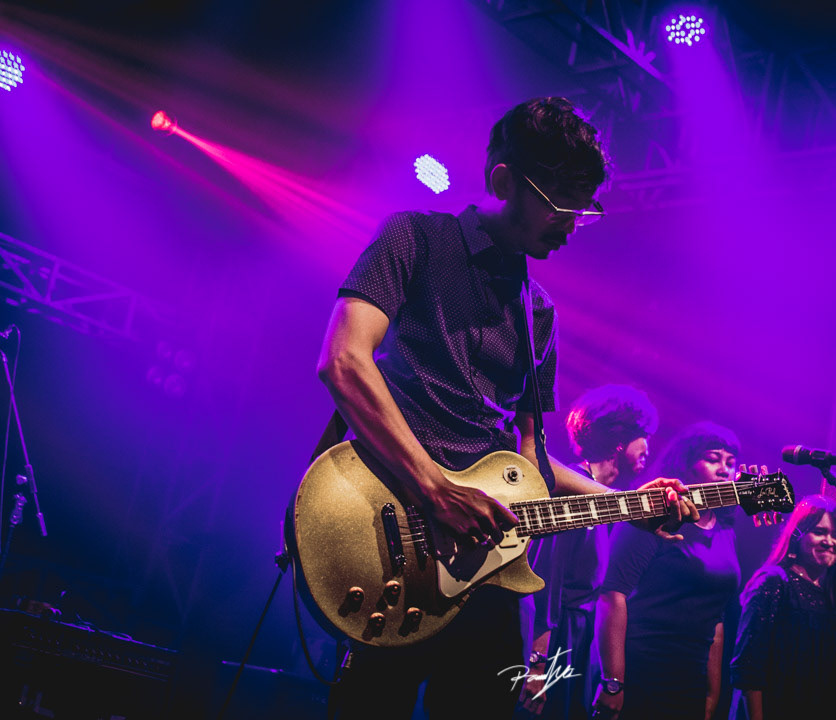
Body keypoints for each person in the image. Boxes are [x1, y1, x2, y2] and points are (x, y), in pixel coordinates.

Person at [317, 97, 697, 720]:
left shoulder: (538, 311)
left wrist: (627, 506)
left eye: (585, 208)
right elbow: (343, 361)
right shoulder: (414, 238)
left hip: (484, 568)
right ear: (502, 181)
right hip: (391, 534)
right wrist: (436, 489)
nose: (572, 225)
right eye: (561, 203)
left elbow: (531, 466)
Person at [520, 385, 659, 719]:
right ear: (619, 439)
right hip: (557, 642)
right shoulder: (574, 495)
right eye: (643, 436)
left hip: (577, 641)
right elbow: (545, 583)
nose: (648, 447)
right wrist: (537, 666)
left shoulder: (600, 499)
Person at [593, 422, 748, 720]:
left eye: (730, 463)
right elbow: (612, 595)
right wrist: (613, 682)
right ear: (686, 464)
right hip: (642, 668)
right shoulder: (653, 515)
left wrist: (711, 693)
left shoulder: (725, 530)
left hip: (690, 677)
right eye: (712, 459)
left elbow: (716, 615)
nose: (724, 470)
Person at [728, 495, 836, 720]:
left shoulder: (830, 600)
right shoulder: (774, 581)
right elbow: (748, 667)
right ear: (798, 535)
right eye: (819, 532)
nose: (829, 541)